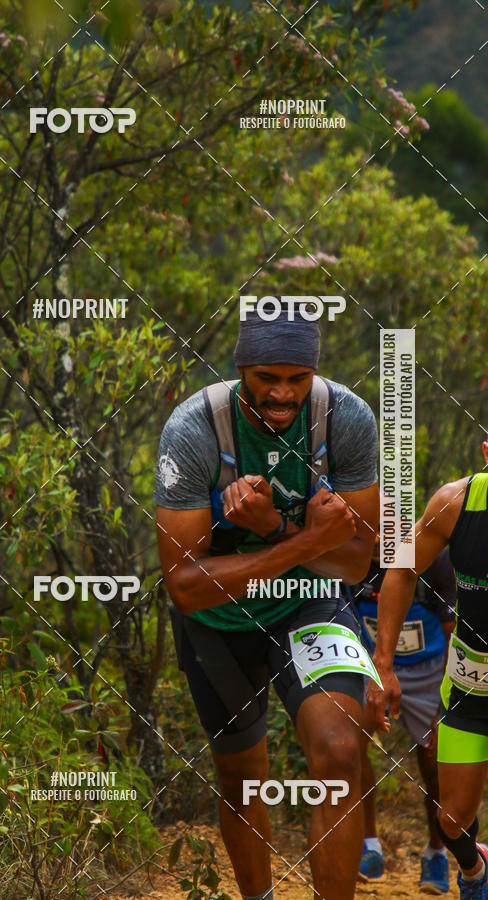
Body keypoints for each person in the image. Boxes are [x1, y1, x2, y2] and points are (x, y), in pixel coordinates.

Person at [155, 307, 379, 900]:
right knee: (243, 776)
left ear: (314, 373)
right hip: (217, 619)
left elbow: (357, 562)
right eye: (266, 378)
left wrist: (273, 528)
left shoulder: (347, 418)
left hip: (310, 602)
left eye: (296, 379)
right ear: (240, 370)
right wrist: (304, 538)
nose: (282, 393)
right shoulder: (195, 428)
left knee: (338, 752)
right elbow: (184, 583)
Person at [368, 436, 488, 900]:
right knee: (451, 817)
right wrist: (384, 664)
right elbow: (400, 571)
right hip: (469, 685)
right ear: (484, 452)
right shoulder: (453, 502)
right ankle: (475, 869)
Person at [347, 537, 455, 892]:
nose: (376, 537)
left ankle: (436, 852)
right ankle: (369, 846)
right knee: (349, 746)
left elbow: (452, 632)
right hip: (371, 664)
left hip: (428, 673)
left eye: (385, 527)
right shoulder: (349, 557)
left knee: (435, 763)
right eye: (369, 526)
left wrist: (447, 705)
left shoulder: (435, 559)